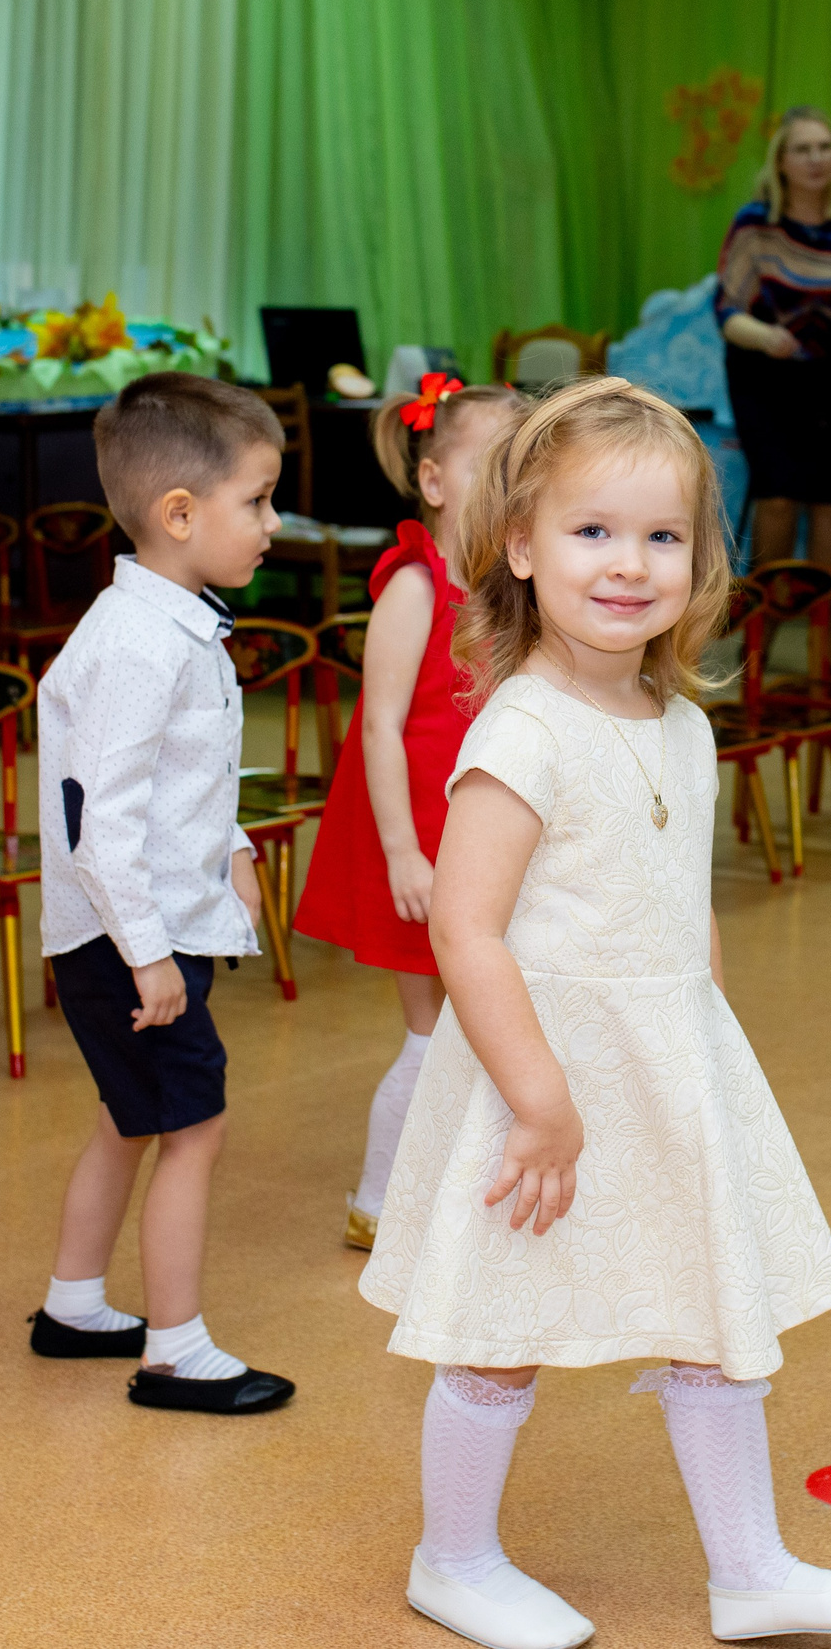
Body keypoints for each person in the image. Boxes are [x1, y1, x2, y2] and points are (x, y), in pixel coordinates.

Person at [358, 378, 831, 1649]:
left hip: (663, 1063)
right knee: (499, 1329)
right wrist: (540, 1101)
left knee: (710, 1312)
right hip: (539, 1074)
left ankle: (751, 1568)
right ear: (521, 547)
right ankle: (454, 1557)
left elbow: (678, 904)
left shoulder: (680, 724)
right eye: (593, 532)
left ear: (703, 562)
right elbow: (464, 928)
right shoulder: (523, 730)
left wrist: (706, 1037)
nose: (628, 565)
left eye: (661, 538)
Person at [23, 372, 294, 1416]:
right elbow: (100, 818)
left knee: (129, 1116)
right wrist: (147, 954)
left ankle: (74, 1306)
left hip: (146, 926)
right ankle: (176, 1350)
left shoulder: (175, 620)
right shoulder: (139, 643)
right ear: (179, 515)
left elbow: (177, 784)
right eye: (259, 501)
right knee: (194, 1127)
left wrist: (229, 848)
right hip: (128, 939)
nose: (273, 525)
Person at [296, 372, 529, 1250]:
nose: (507, 489)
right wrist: (402, 853)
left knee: (487, 1030)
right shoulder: (415, 585)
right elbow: (381, 727)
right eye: (489, 468)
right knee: (434, 1035)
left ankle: (464, 1186)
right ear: (434, 482)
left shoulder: (510, 590)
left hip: (484, 842)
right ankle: (378, 1199)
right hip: (423, 847)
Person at [717, 106, 831, 581]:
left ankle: (823, 642)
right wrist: (765, 336)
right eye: (803, 149)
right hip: (764, 375)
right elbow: (728, 312)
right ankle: (765, 637)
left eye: (825, 147)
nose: (817, 158)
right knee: (776, 499)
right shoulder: (755, 224)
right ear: (781, 161)